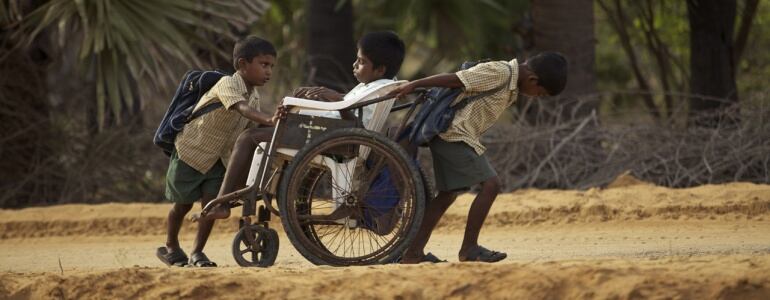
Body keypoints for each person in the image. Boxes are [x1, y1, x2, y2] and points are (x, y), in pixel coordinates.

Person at [199, 31, 406, 221]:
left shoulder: (374, 87)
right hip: (332, 134)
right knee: (262, 134)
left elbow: (356, 122)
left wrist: (332, 99)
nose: (354, 65)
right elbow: (355, 106)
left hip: (333, 138)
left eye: (361, 62)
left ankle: (224, 201)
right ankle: (244, 189)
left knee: (249, 137)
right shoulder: (380, 85)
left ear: (379, 70)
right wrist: (326, 96)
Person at [390, 52, 568, 263]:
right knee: (491, 185)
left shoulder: (510, 83)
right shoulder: (501, 72)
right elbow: (456, 79)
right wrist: (414, 84)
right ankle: (469, 248)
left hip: (456, 136)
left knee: (448, 194)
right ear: (532, 80)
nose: (536, 97)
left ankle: (412, 254)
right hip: (453, 134)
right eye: (540, 94)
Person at [156, 36, 282, 267]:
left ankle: (197, 253)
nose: (269, 71)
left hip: (218, 159)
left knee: (211, 205)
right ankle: (171, 246)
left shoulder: (254, 96)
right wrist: (269, 118)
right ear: (242, 65)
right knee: (181, 205)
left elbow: (253, 127)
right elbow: (240, 108)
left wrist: (282, 122)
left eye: (271, 66)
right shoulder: (227, 85)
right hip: (191, 152)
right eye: (264, 65)